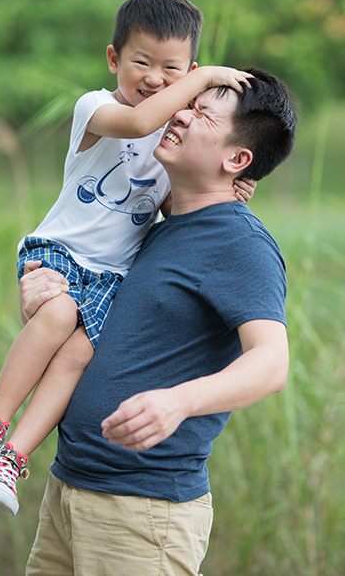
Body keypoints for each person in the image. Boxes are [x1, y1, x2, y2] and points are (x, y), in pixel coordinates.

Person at [0, 0, 256, 516]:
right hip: (62, 252)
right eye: (141, 62)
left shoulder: (171, 149)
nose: (155, 78)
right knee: (60, 312)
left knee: (80, 353)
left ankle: (11, 460)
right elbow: (137, 123)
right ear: (114, 59)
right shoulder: (97, 108)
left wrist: (229, 189)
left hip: (109, 276)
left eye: (172, 69)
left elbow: (171, 212)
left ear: (188, 67)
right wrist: (200, 81)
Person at [22, 67, 297, 575]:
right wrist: (43, 293)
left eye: (200, 111)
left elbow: (271, 363)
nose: (179, 112)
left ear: (236, 159)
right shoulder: (156, 226)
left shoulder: (239, 243)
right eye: (186, 101)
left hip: (142, 511)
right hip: (69, 490)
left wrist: (179, 401)